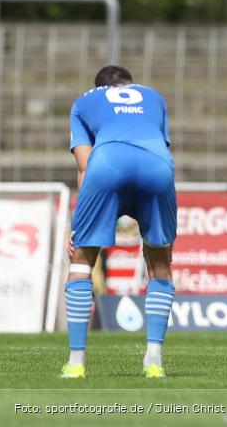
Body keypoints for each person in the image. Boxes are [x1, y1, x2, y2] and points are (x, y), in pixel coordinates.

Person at [63, 66, 177, 379]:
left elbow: (86, 168)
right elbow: (159, 145)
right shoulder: (154, 96)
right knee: (160, 261)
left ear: (99, 87)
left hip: (107, 165)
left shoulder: (83, 102)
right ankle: (153, 359)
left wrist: (77, 225)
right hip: (156, 166)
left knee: (82, 259)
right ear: (129, 84)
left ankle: (76, 363)